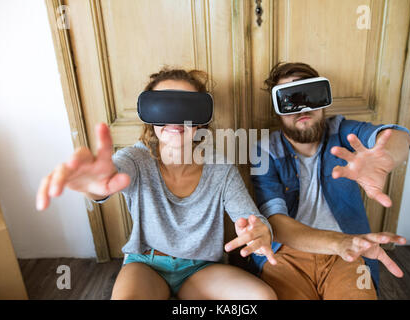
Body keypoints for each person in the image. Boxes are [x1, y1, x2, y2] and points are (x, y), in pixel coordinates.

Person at [36, 68, 277, 300]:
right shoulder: (135, 159)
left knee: (263, 297)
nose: (175, 119)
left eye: (186, 107)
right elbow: (109, 177)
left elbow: (252, 219)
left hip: (201, 269)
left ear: (201, 121)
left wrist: (259, 234)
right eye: (163, 107)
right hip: (146, 265)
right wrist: (95, 185)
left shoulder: (221, 169)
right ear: (150, 117)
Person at [249, 62, 410, 300]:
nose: (302, 108)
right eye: (290, 100)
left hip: (347, 253)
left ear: (324, 100)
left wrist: (385, 156)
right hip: (285, 255)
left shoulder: (343, 131)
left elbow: (398, 136)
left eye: (310, 95)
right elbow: (276, 222)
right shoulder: (264, 150)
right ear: (278, 110)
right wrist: (337, 242)